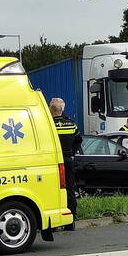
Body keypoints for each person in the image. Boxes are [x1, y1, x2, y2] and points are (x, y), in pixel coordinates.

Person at [50, 98, 81, 231]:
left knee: (53, 190)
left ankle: (53, 223)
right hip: (68, 159)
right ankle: (71, 220)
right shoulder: (71, 123)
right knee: (69, 189)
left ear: (51, 110)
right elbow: (79, 139)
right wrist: (72, 152)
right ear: (62, 109)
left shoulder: (49, 124)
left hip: (53, 161)